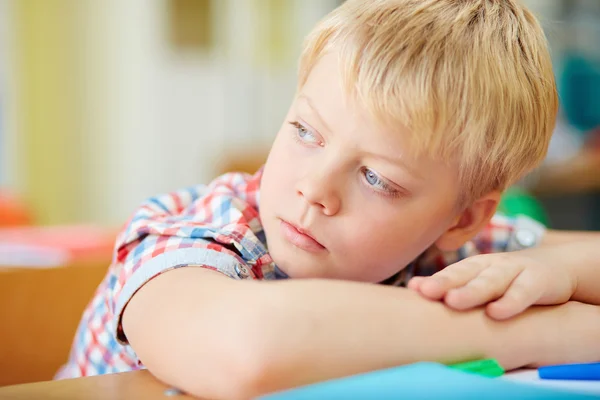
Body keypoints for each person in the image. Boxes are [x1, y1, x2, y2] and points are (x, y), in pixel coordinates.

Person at [57, 1, 600, 399]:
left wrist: (558, 272)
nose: (314, 188)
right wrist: (551, 330)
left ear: (459, 218)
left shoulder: (450, 250)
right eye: (305, 132)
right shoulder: (202, 231)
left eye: (376, 179)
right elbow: (246, 349)